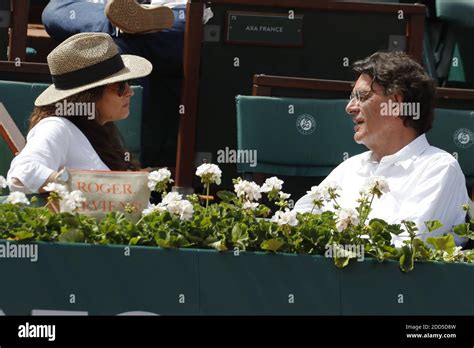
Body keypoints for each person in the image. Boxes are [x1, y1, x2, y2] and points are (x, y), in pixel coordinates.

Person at [294, 51, 470, 248]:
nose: (350, 108)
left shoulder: (439, 169)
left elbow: (407, 250)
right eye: (351, 98)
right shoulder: (350, 168)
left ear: (396, 102)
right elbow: (295, 227)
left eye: (362, 96)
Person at [7, 32, 152, 193]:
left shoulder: (98, 131)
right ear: (89, 95)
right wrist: (83, 187)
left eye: (128, 82)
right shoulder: (56, 126)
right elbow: (22, 174)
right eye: (120, 86)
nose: (129, 92)